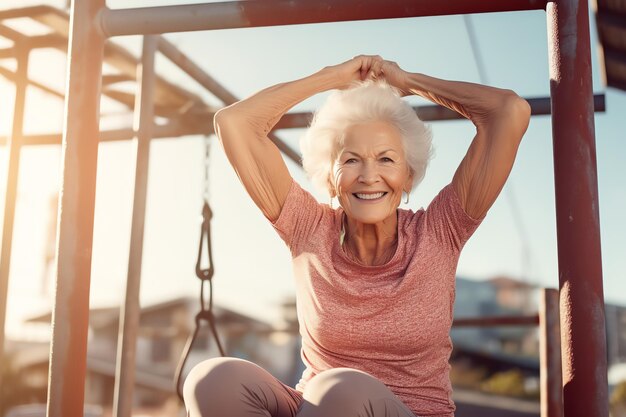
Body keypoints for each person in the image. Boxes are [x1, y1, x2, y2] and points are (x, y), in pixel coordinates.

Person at [183, 55, 531, 417]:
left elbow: (508, 111)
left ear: (408, 177)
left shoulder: (440, 231)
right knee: (212, 379)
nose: (368, 175)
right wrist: (328, 78)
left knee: (342, 391)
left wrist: (408, 82)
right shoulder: (308, 228)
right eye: (350, 160)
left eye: (385, 159)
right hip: (316, 406)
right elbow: (233, 122)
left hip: (403, 409)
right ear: (330, 178)